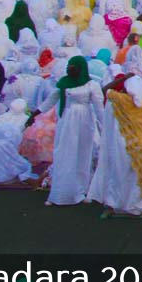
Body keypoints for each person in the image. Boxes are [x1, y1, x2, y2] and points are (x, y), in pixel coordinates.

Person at [89, 76, 142, 216]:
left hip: (123, 144)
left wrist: (124, 78)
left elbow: (104, 90)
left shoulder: (119, 101)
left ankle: (116, 203)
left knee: (119, 174)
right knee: (137, 177)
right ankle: (137, 206)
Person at [46, 56, 101, 206]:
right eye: (69, 65)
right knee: (64, 153)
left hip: (84, 121)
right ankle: (60, 193)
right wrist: (35, 114)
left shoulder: (91, 85)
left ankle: (80, 190)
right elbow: (51, 99)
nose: (70, 68)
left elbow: (98, 108)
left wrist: (104, 126)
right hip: (67, 120)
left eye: (73, 66)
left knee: (82, 154)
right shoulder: (64, 82)